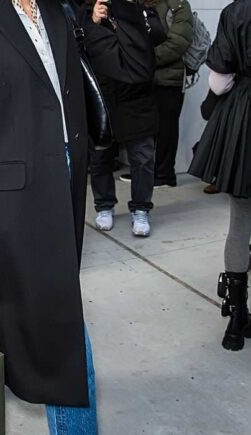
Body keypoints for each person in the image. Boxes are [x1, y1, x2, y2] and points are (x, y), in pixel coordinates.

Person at [0, 0, 154, 433]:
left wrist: (122, 11)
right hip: (9, 215)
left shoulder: (59, 15)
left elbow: (134, 66)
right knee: (64, 347)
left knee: (57, 339)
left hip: (65, 196)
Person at [189, 0, 251, 351]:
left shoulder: (236, 10)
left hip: (245, 115)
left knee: (241, 220)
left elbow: (219, 79)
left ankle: (236, 320)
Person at [89, 3, 166, 237]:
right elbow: (80, 44)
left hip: (137, 95)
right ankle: (104, 205)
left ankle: (141, 208)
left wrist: (131, 12)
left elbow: (159, 34)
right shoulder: (90, 12)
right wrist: (94, 20)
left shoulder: (140, 9)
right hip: (103, 94)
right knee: (101, 155)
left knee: (142, 157)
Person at [145, 0, 193, 187]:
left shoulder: (178, 4)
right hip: (143, 77)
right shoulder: (139, 3)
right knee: (145, 128)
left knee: (166, 127)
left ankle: (164, 174)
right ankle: (145, 172)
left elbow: (179, 42)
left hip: (169, 77)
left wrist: (144, 59)